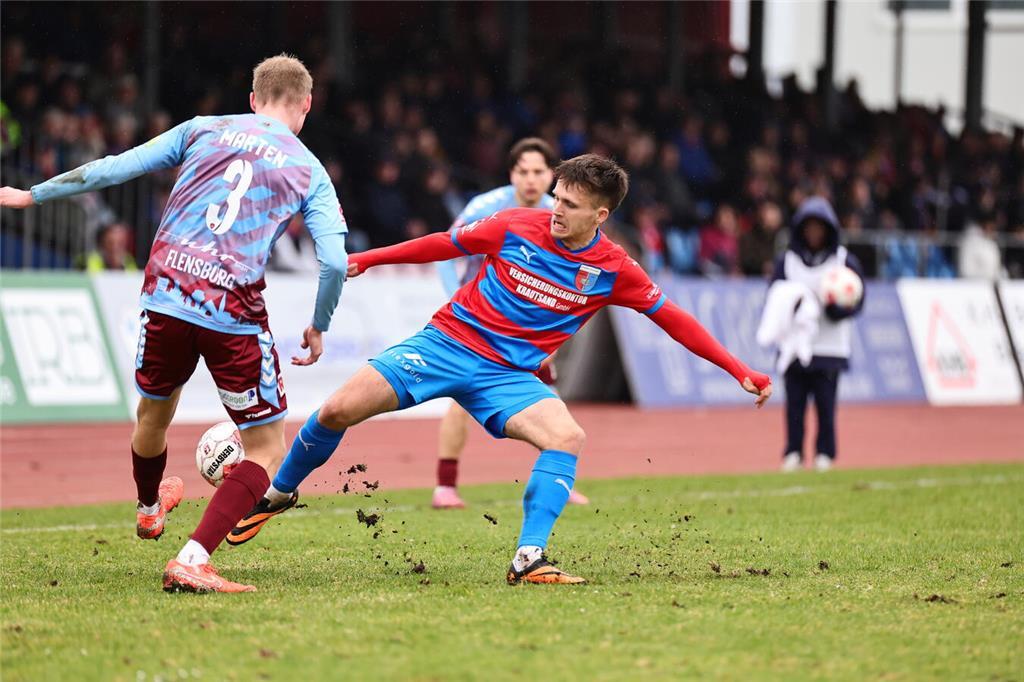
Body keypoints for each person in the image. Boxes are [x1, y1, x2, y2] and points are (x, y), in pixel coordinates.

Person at [229, 154, 771, 587]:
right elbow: (444, 243)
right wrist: (369, 259)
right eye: (557, 197)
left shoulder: (615, 270)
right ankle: (278, 493)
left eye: (571, 204)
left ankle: (529, 560)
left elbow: (674, 319)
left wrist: (737, 369)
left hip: (508, 377)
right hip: (448, 342)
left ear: (600, 216)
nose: (556, 209)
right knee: (336, 409)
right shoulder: (515, 224)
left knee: (567, 436)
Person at [0, 54, 349, 593]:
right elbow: (333, 261)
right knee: (265, 449)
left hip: (165, 294)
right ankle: (192, 558)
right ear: (306, 104)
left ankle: (147, 507)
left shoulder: (203, 129)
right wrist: (319, 323)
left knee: (153, 415)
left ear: (252, 99)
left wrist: (33, 193)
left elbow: (116, 166)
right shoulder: (308, 169)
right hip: (231, 311)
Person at [432, 137, 588, 509]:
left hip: (524, 326)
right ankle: (445, 487)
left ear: (551, 176)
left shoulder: (560, 214)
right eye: (524, 172)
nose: (531, 180)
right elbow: (444, 253)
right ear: (511, 175)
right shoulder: (485, 207)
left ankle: (558, 476)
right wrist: (456, 294)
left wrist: (549, 340)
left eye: (538, 172)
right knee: (461, 397)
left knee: (550, 400)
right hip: (477, 318)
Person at [770, 197, 865, 473]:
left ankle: (825, 452)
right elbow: (774, 297)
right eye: (808, 228)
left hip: (829, 349)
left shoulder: (844, 261)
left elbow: (859, 300)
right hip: (795, 347)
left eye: (819, 228)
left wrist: (838, 310)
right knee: (795, 406)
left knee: (826, 405)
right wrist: (796, 308)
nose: (814, 234)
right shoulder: (786, 262)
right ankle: (794, 452)